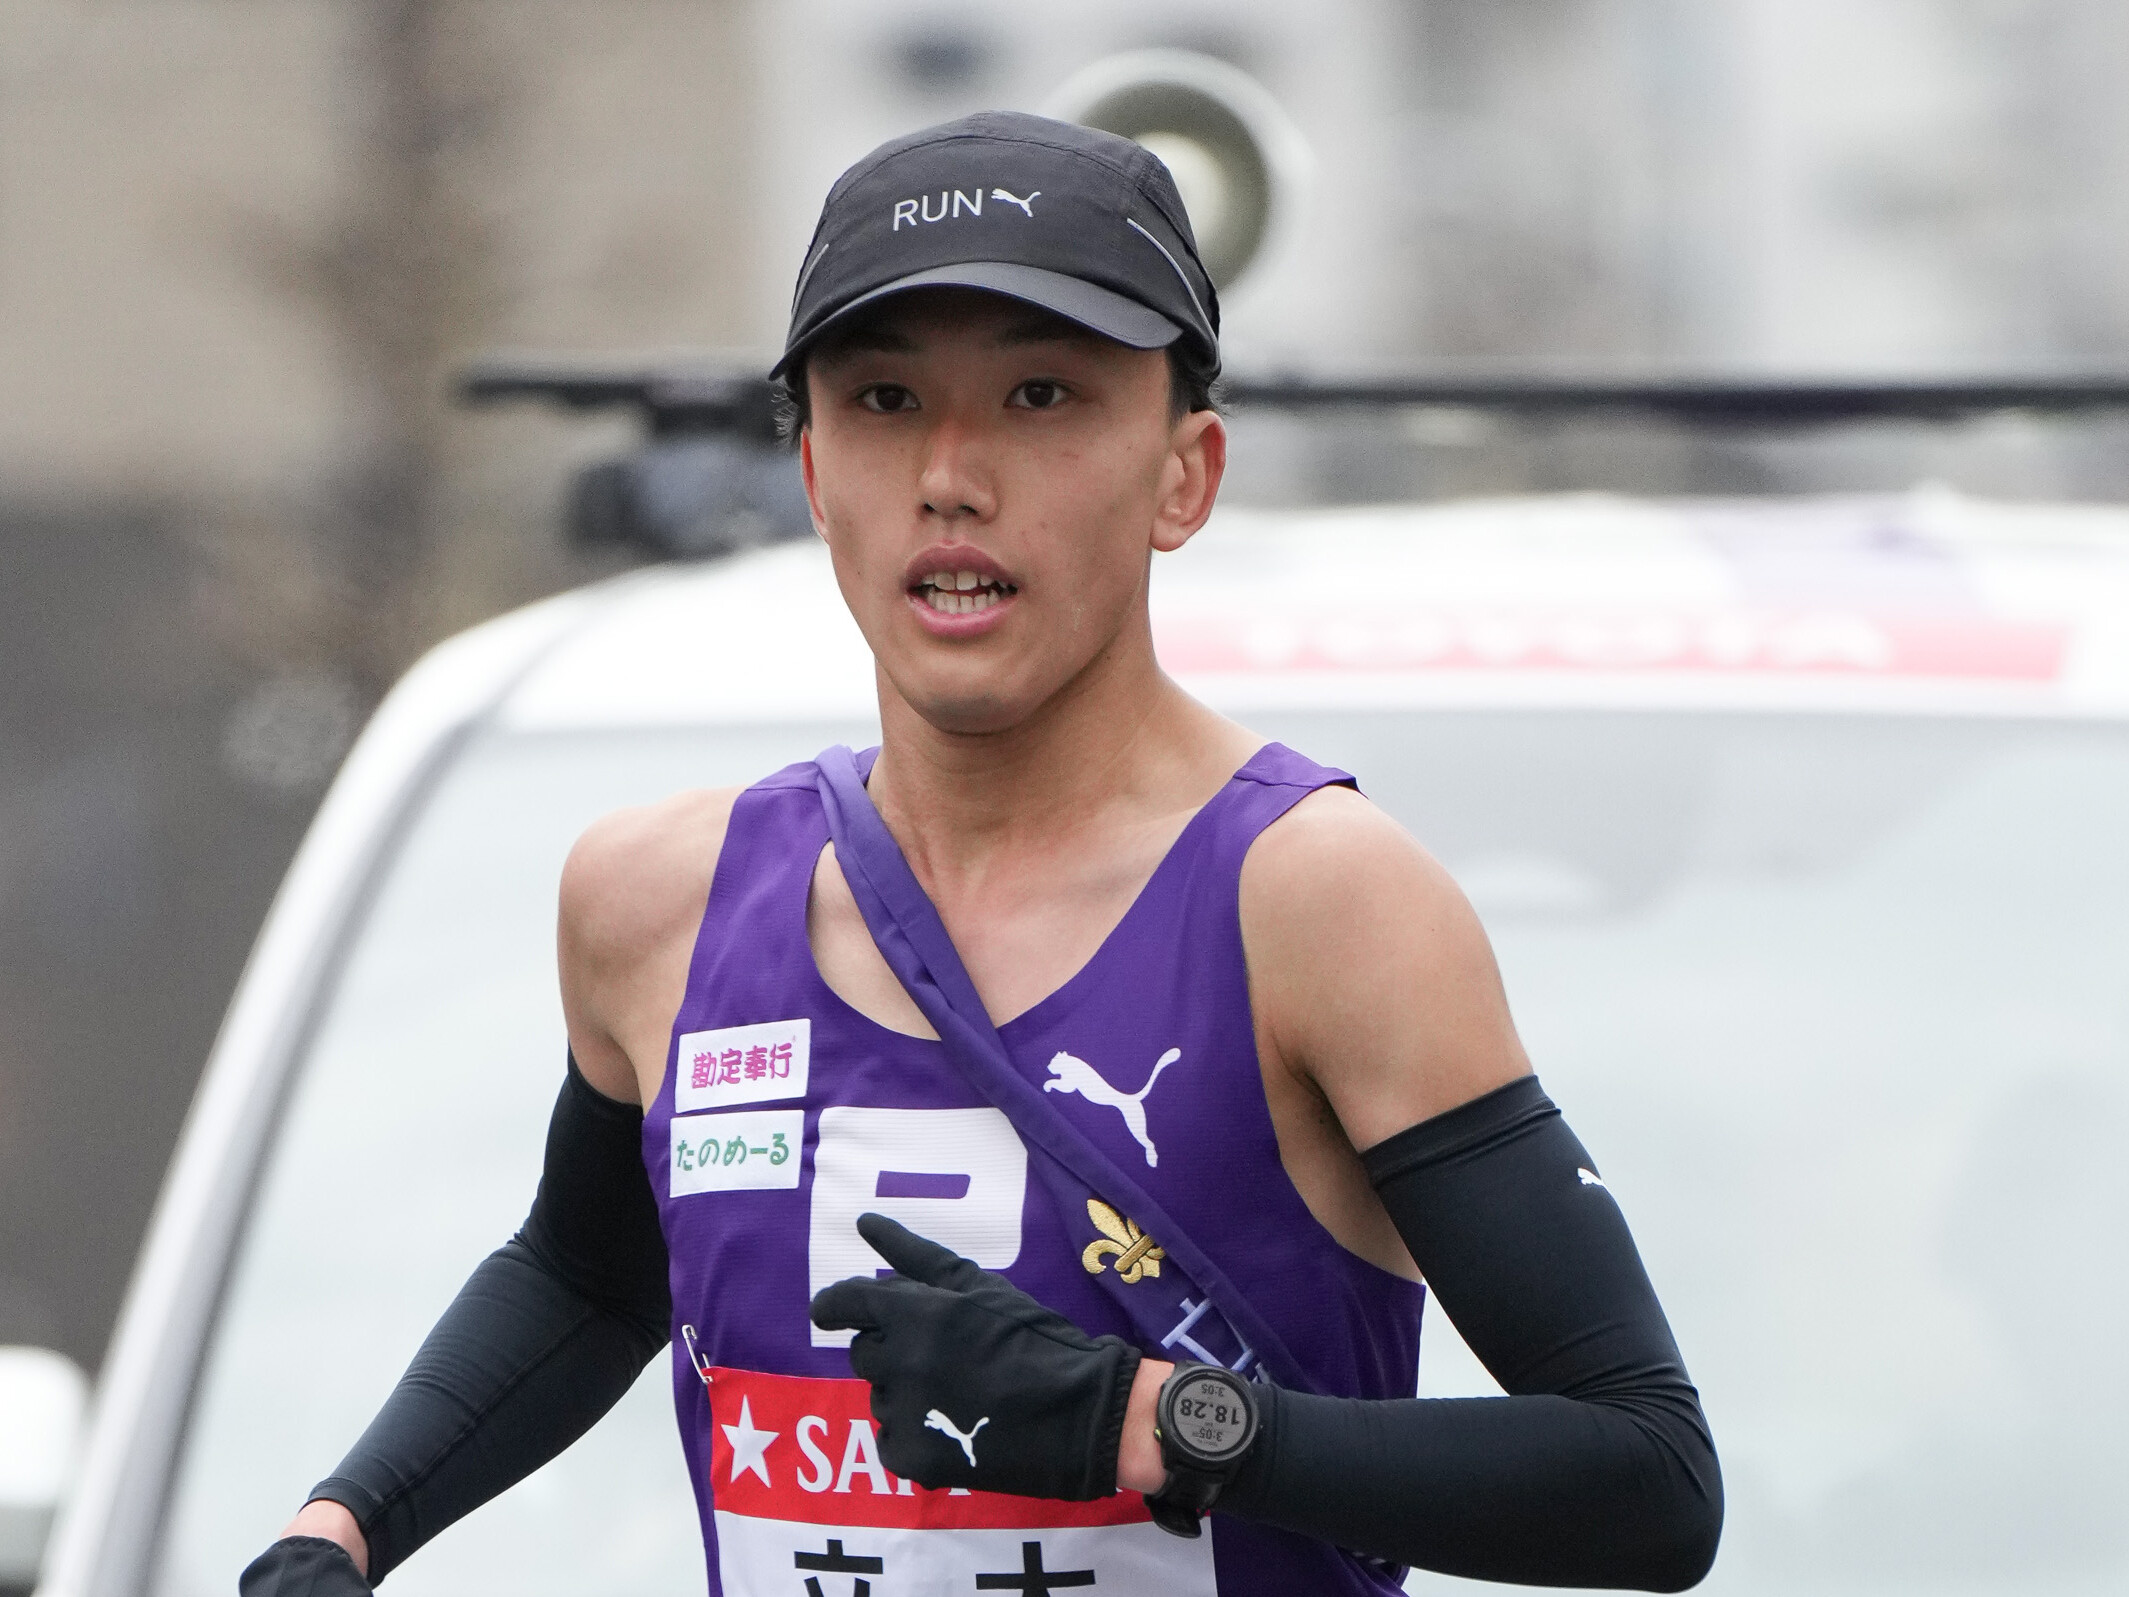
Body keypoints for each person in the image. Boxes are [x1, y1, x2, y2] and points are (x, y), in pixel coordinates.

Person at [242, 111, 1720, 1597]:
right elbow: (583, 1277)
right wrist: (348, 1522)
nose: (950, 473)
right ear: (814, 474)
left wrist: (1160, 1425)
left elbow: (1648, 1482)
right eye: (885, 399)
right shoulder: (657, 905)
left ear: (1182, 474)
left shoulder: (1315, 900)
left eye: (1039, 394)